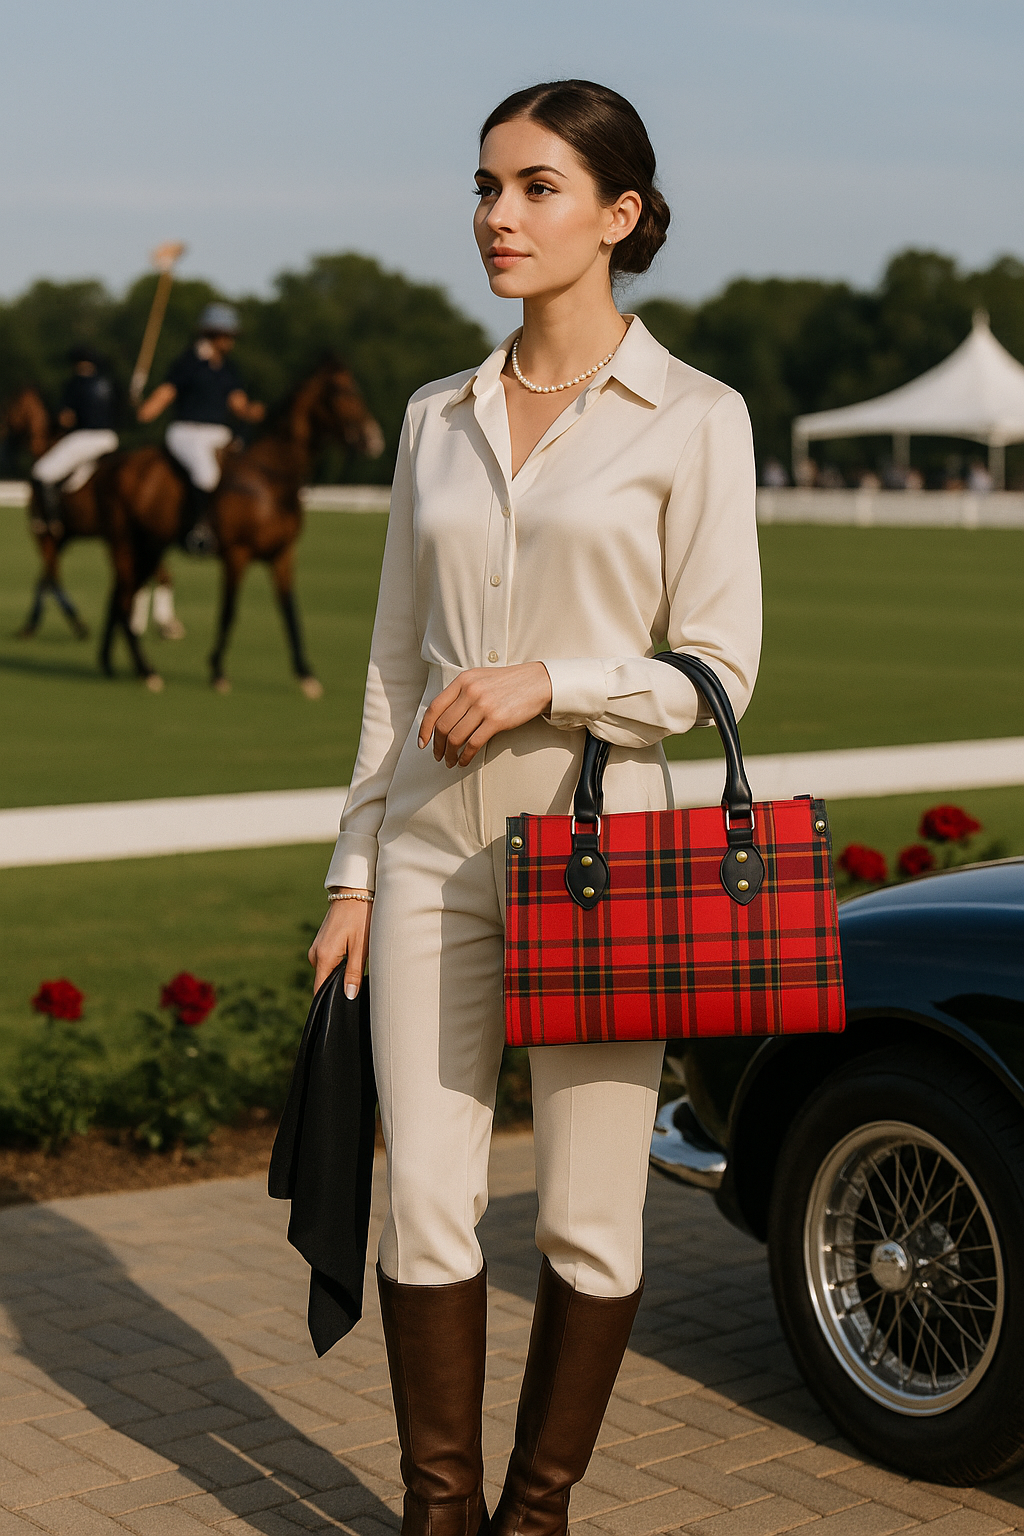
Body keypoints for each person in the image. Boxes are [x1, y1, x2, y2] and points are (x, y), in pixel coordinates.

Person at [308, 80, 760, 1536]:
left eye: (539, 188)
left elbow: (719, 666)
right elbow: (391, 664)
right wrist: (353, 869)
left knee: (583, 1215)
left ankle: (537, 1512)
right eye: (488, 185)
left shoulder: (698, 417)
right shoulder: (437, 417)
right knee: (424, 1207)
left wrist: (547, 679)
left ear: (619, 217)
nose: (499, 216)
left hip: (604, 854)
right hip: (432, 851)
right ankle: (440, 1514)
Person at [136, 302, 264, 552]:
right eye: (227, 336)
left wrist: (252, 412)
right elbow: (166, 393)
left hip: (218, 433)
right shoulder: (188, 362)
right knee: (205, 474)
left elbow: (238, 404)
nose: (231, 341)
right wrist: (145, 410)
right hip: (187, 431)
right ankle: (199, 529)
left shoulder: (228, 368)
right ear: (212, 334)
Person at [31, 345, 119, 522]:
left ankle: (52, 520)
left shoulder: (75, 384)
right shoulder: (111, 383)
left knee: (42, 473)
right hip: (111, 439)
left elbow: (67, 419)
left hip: (85, 439)